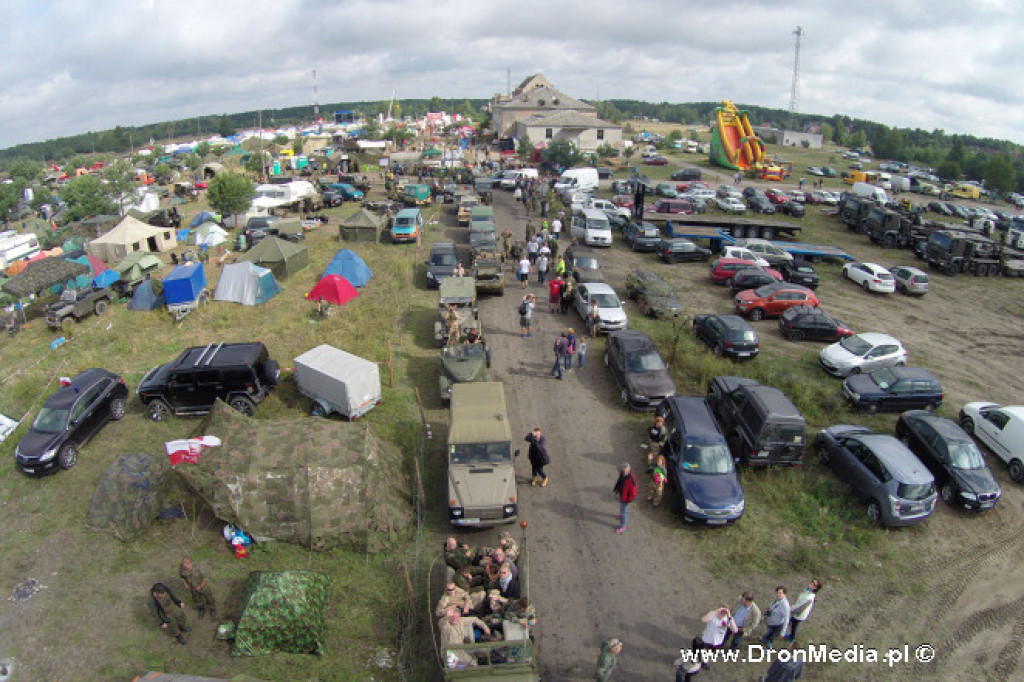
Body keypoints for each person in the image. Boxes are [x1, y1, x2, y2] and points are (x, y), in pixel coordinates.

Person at [613, 463, 638, 533]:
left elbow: (633, 493)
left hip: (626, 498)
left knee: (624, 510)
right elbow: (619, 481)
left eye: (626, 471)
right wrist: (617, 489)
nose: (625, 472)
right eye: (624, 471)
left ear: (629, 470)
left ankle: (623, 526)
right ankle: (622, 516)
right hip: (622, 495)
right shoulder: (622, 474)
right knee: (623, 508)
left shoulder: (631, 479)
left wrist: (629, 500)